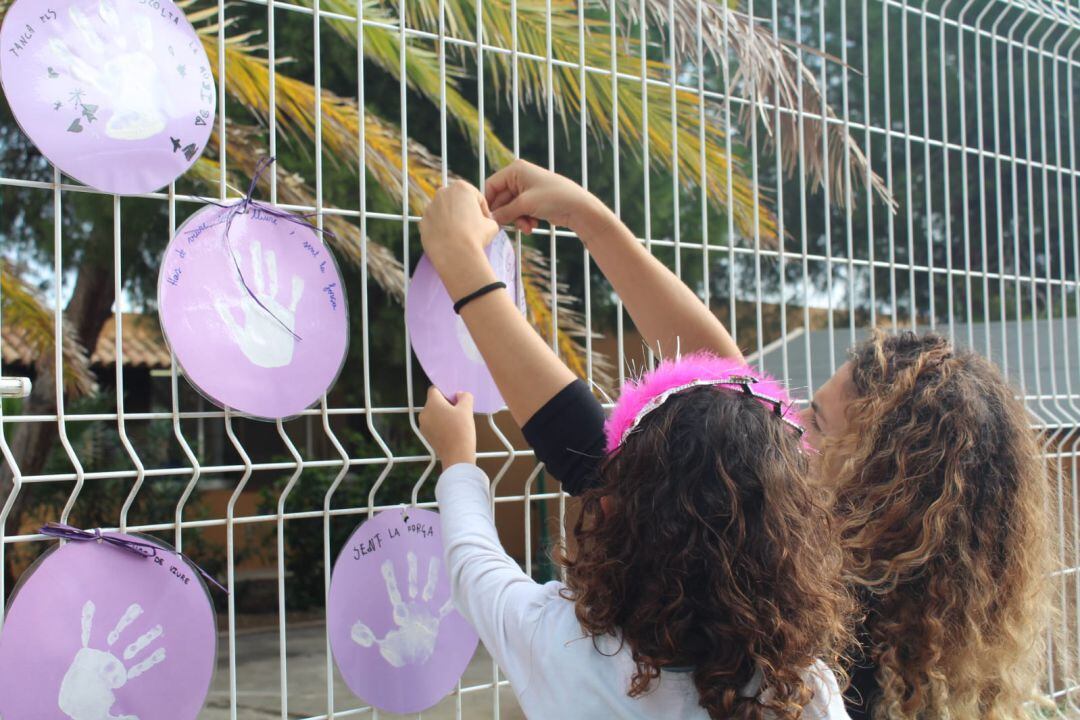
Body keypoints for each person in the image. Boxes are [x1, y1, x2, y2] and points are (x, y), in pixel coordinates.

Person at [418, 162, 1052, 720]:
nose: (785, 419)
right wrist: (591, 220)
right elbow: (732, 389)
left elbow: (607, 454)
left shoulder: (818, 638)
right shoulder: (885, 620)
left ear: (882, 489)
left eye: (818, 423)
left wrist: (464, 269)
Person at [420, 356, 854, 719]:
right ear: (789, 538)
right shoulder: (804, 691)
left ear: (609, 512)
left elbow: (472, 563)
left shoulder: (555, 642)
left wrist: (457, 456)